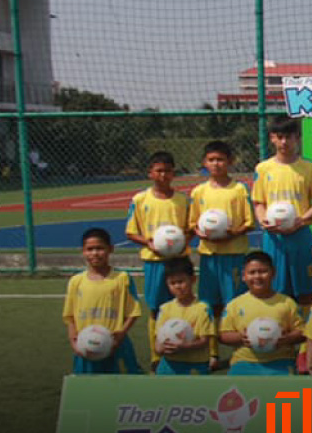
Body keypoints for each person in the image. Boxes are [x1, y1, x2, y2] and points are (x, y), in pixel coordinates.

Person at [189, 140, 254, 371]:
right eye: (211, 160)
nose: (216, 164)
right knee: (210, 306)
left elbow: (249, 222)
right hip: (209, 256)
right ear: (204, 163)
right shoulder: (198, 192)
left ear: (230, 162)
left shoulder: (239, 189)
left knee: (235, 304)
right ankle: (212, 353)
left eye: (220, 159)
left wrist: (232, 233)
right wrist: (201, 233)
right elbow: (193, 223)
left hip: (233, 255)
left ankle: (240, 352)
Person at [125, 151, 191, 365]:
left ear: (173, 173)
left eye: (168, 171)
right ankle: (157, 354)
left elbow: (190, 229)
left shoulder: (183, 200)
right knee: (156, 307)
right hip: (154, 261)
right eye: (159, 170)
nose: (163, 175)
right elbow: (131, 232)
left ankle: (182, 346)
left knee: (182, 304)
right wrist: (149, 243)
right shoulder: (140, 199)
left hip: (179, 260)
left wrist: (182, 242)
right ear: (150, 173)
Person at [252, 115, 312, 310]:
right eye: (280, 137)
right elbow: (259, 202)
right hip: (273, 237)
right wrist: (264, 221)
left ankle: (306, 329)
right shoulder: (263, 169)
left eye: (289, 137)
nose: (284, 142)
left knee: (305, 291)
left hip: (300, 235)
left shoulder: (309, 168)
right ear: (272, 138)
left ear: (297, 138)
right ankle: (279, 328)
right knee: (275, 291)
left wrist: (301, 220)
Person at [64, 228, 143, 374]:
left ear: (110, 249)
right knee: (87, 384)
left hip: (116, 345)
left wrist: (120, 335)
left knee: (121, 384)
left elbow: (133, 312)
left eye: (99, 248)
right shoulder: (76, 281)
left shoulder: (122, 278)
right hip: (86, 345)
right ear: (83, 251)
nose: (95, 253)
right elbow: (70, 316)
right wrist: (74, 341)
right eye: (90, 249)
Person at [218, 251, 305, 376]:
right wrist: (241, 337)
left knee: (291, 388)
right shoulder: (235, 304)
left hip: (281, 362)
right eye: (252, 272)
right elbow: (223, 335)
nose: (257, 276)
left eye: (263, 271)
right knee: (236, 388)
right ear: (243, 276)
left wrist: (287, 338)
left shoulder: (287, 303)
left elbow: (302, 332)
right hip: (244, 362)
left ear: (273, 273)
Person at [153, 257, 215, 375]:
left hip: (196, 365)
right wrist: (160, 348)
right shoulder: (165, 309)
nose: (177, 286)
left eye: (181, 281)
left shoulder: (203, 308)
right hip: (169, 364)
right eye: (172, 283)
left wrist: (185, 346)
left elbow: (204, 340)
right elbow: (158, 340)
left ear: (193, 279)